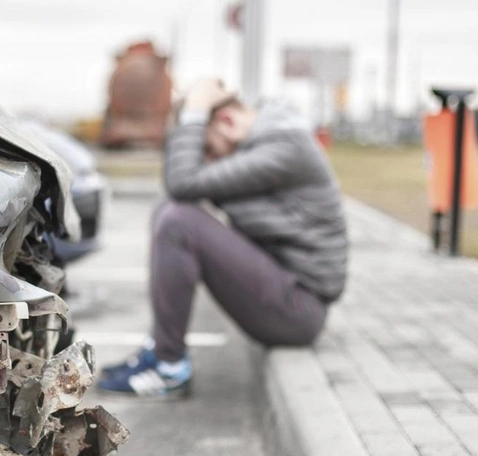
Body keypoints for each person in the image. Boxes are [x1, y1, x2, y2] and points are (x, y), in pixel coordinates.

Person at [97, 78, 348, 398]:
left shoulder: (285, 147)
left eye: (209, 151)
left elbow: (184, 181)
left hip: (299, 309)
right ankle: (159, 348)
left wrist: (195, 111)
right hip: (284, 291)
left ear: (227, 122)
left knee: (179, 221)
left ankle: (169, 368)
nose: (208, 163)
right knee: (172, 209)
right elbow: (182, 185)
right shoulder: (271, 142)